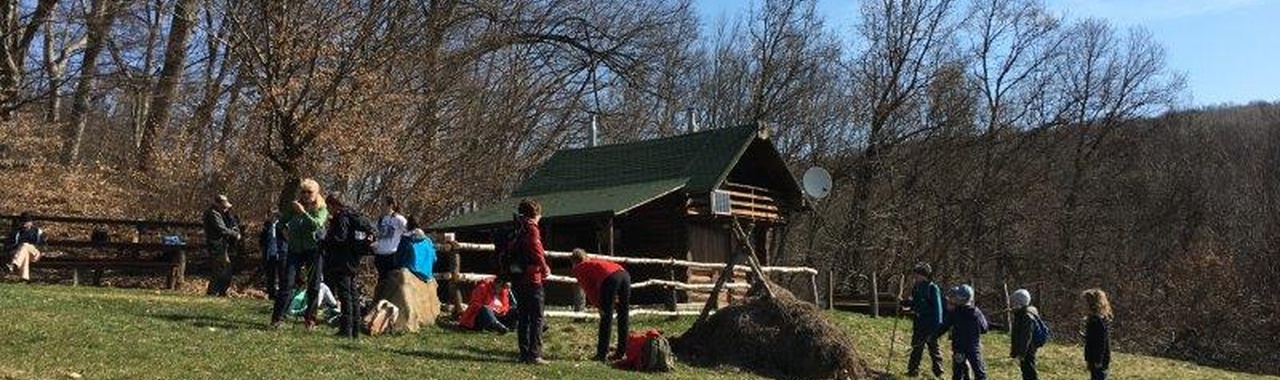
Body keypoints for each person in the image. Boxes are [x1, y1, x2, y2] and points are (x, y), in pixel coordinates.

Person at [271, 178, 330, 329]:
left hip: (313, 250)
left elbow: (316, 225)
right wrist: (285, 233)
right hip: (295, 250)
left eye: (309, 192)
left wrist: (303, 213)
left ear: (316, 193)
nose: (305, 195)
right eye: (303, 192)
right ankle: (277, 319)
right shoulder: (294, 207)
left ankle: (310, 319)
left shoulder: (321, 208)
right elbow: (281, 223)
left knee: (314, 286)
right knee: (287, 283)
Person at [322, 194, 377, 338]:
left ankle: (346, 330)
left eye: (329, 206)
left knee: (345, 295)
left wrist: (324, 240)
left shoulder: (341, 217)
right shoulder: (354, 215)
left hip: (342, 260)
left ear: (334, 205)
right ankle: (355, 329)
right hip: (353, 259)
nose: (328, 209)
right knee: (353, 294)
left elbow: (340, 238)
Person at [570, 248, 631, 361]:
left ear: (573, 261)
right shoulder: (594, 261)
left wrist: (599, 305)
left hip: (610, 278)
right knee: (623, 315)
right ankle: (622, 352)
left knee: (606, 317)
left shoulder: (579, 268)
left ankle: (602, 354)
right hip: (624, 274)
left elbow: (589, 289)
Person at [509, 198, 551, 365]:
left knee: (523, 316)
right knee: (537, 317)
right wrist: (544, 266)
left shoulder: (517, 226)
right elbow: (536, 249)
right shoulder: (531, 228)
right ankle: (535, 354)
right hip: (532, 277)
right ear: (536, 213)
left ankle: (524, 353)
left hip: (517, 276)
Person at [936, 284, 989, 380]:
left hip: (959, 348)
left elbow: (944, 327)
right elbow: (984, 328)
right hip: (973, 348)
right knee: (979, 373)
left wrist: (933, 336)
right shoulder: (976, 312)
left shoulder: (954, 313)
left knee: (958, 373)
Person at [901, 262, 944, 378]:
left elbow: (938, 310)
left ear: (924, 275)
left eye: (917, 274)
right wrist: (906, 303)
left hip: (931, 324)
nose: (915, 277)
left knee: (933, 348)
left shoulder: (932, 288)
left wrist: (936, 327)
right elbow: (916, 304)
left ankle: (938, 371)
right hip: (919, 323)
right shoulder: (916, 287)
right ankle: (913, 370)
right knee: (916, 347)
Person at [203, 194, 242, 296]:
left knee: (224, 268)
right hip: (216, 245)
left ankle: (221, 291)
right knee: (220, 269)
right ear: (218, 204)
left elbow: (229, 225)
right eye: (224, 207)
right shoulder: (213, 213)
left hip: (221, 245)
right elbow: (221, 229)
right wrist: (235, 234)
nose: (225, 209)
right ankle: (214, 292)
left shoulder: (219, 213)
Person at [373, 196, 407, 285]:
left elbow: (409, 231)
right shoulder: (380, 219)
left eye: (383, 204)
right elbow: (375, 233)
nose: (381, 207)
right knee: (382, 281)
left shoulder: (398, 219)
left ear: (390, 205)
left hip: (392, 255)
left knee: (392, 281)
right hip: (380, 255)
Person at [1010, 289, 1042, 380]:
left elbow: (1026, 337)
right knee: (1025, 370)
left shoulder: (1026, 316)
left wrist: (1021, 353)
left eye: (1014, 302)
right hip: (1025, 349)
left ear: (1019, 302)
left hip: (1028, 349)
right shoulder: (1021, 314)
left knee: (1029, 371)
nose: (1012, 304)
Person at [4, 213, 45, 281]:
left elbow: (43, 244)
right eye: (23, 221)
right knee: (25, 252)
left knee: (25, 245)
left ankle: (14, 264)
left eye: (26, 222)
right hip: (21, 254)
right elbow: (9, 245)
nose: (24, 224)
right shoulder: (17, 232)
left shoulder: (37, 232)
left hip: (35, 254)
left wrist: (41, 250)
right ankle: (25, 278)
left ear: (31, 223)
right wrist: (16, 248)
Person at [1081, 288, 1112, 380]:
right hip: (1095, 358)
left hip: (1098, 360)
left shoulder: (1096, 320)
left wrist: (1098, 360)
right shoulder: (1094, 319)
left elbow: (1101, 342)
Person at [259, 211, 288, 299]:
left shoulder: (283, 225)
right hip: (270, 253)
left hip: (281, 252)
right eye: (272, 215)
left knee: (282, 274)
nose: (273, 217)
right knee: (270, 275)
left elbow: (287, 237)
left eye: (275, 215)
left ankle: (282, 294)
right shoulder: (267, 225)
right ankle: (272, 294)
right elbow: (262, 238)